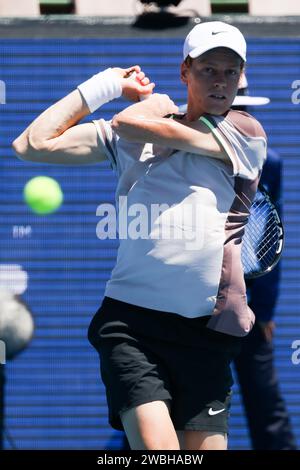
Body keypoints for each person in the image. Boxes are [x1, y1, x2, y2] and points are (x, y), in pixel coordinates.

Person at [12, 21, 267, 450]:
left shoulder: (246, 134)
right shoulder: (131, 135)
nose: (220, 81)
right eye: (208, 69)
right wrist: (104, 84)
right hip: (131, 326)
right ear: (185, 70)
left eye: (229, 70)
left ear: (241, 78)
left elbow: (134, 123)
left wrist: (148, 104)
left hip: (208, 331)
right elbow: (31, 143)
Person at [232, 77, 297, 450]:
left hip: (248, 302)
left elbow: (272, 232)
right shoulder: (184, 154)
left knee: (263, 396)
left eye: (242, 107)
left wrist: (265, 309)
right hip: (189, 300)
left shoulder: (267, 162)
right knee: (173, 396)